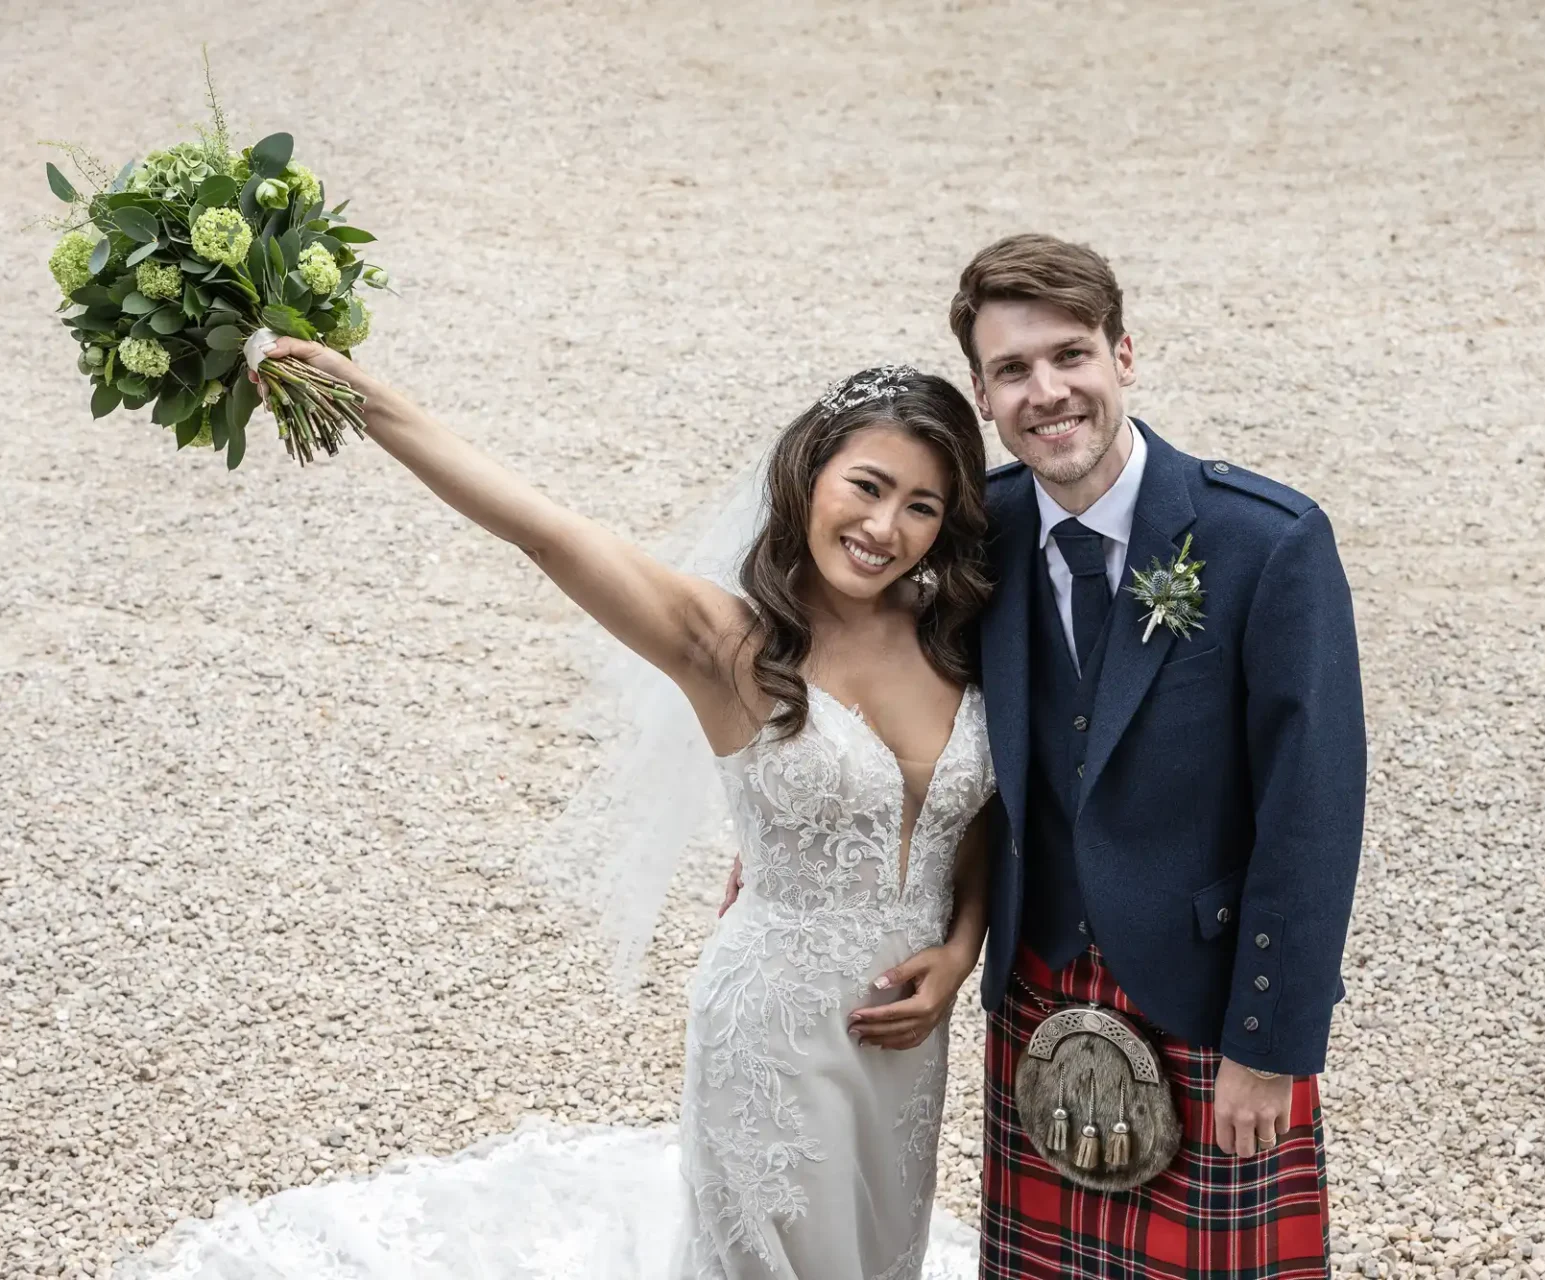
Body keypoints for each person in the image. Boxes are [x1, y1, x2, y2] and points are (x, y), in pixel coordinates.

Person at [120, 350, 1000, 1280]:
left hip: (907, 1047)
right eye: (865, 486)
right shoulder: (728, 644)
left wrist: (962, 947)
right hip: (774, 1037)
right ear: (809, 472)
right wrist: (359, 394)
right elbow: (542, 532)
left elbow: (968, 816)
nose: (882, 527)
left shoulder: (955, 627)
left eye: (920, 506)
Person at [950, 234, 1367, 1280]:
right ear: (983, 394)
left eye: (1071, 354)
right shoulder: (978, 532)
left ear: (1123, 355)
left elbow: (1311, 809)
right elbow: (885, 684)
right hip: (1040, 986)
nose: (1047, 391)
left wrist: (1269, 1040)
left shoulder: (1264, 541)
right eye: (1013, 369)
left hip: (1208, 999)